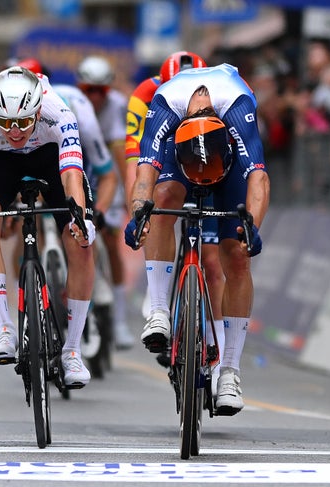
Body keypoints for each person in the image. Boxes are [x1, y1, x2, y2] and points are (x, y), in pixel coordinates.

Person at [125, 63, 270, 416]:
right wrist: (138, 213)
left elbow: (258, 179)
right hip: (181, 155)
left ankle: (230, 372)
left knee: (236, 255)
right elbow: (145, 172)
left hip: (228, 166)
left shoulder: (238, 106)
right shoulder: (165, 104)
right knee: (163, 196)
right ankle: (159, 309)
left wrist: (252, 226)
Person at [0, 66, 95, 388]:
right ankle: (5, 328)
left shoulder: (58, 111)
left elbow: (71, 174)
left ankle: (72, 351)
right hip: (0, 163)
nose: (16, 131)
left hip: (48, 157)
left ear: (37, 109)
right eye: (6, 123)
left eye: (24, 121)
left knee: (80, 241)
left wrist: (81, 220)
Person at [124, 51, 227, 377]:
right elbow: (135, 160)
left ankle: (218, 351)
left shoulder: (219, 96)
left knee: (212, 262)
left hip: (210, 153)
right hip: (168, 149)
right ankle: (158, 304)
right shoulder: (148, 95)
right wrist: (137, 212)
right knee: (160, 204)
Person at [76, 55, 134, 349]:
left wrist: (129, 195)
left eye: (101, 91)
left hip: (105, 174)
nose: (95, 97)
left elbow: (120, 157)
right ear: (80, 88)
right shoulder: (72, 103)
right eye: (89, 90)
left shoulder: (117, 105)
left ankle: (120, 320)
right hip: (79, 170)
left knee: (111, 243)